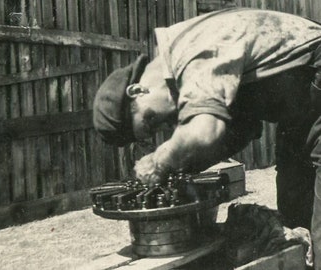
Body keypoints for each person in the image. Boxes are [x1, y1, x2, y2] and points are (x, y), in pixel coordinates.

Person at [93, 8, 321, 268]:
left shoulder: (193, 56)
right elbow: (239, 129)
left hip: (314, 74)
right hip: (302, 102)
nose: (168, 123)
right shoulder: (182, 56)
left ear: (137, 91)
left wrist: (161, 158)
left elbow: (206, 130)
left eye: (151, 119)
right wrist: (185, 166)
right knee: (293, 222)